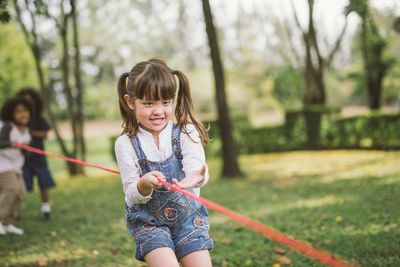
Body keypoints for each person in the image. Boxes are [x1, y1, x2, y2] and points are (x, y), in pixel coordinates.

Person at [114, 58, 213, 267]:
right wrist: (143, 184)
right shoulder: (125, 144)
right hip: (149, 223)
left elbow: (196, 166)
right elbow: (131, 194)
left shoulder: (186, 132)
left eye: (165, 102)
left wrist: (195, 177)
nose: (158, 111)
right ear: (130, 102)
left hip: (188, 220)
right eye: (148, 103)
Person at [17, 88, 56, 220]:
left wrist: (32, 133)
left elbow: (45, 133)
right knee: (21, 185)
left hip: (39, 158)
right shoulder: (18, 118)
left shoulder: (39, 118)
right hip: (22, 159)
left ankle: (46, 210)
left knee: (43, 184)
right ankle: (15, 211)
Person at [0, 96, 32, 235]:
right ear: (11, 114)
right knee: (11, 188)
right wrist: (11, 143)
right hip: (3, 163)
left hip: (16, 166)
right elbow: (1, 142)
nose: (22, 114)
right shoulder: (7, 127)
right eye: (18, 111)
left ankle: (8, 223)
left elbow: (26, 154)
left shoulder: (26, 130)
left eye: (25, 110)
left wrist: (25, 149)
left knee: (21, 194)